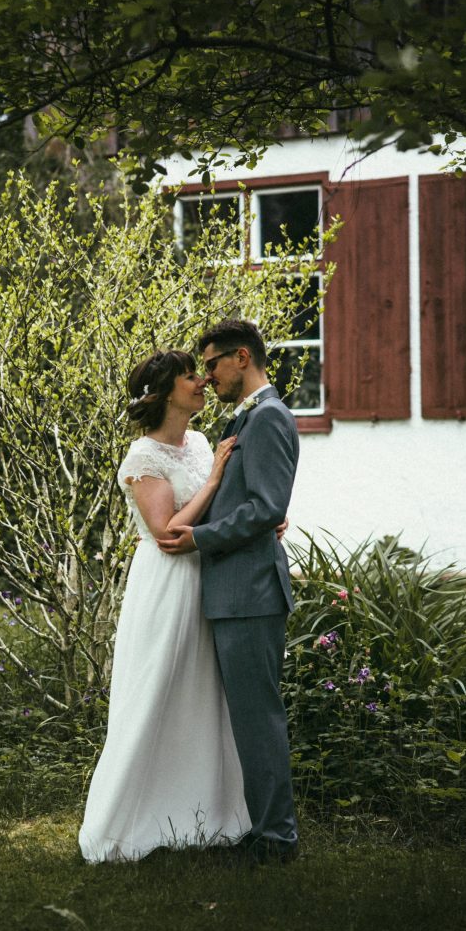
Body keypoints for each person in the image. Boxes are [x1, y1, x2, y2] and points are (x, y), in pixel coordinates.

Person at [79, 349, 251, 862]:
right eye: (190, 376)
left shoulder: (199, 443)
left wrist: (252, 518)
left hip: (208, 577)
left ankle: (205, 813)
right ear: (165, 392)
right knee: (159, 690)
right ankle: (129, 819)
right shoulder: (143, 459)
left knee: (204, 695)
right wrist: (217, 481)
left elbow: (208, 514)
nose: (203, 381)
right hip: (167, 584)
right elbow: (166, 532)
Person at [158, 319, 300, 863]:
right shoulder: (249, 418)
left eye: (212, 364)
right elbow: (258, 503)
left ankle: (275, 840)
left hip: (250, 593)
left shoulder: (267, 418)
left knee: (258, 717)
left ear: (242, 358)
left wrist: (200, 538)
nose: (208, 376)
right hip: (236, 591)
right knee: (247, 716)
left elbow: (267, 508)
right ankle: (262, 829)